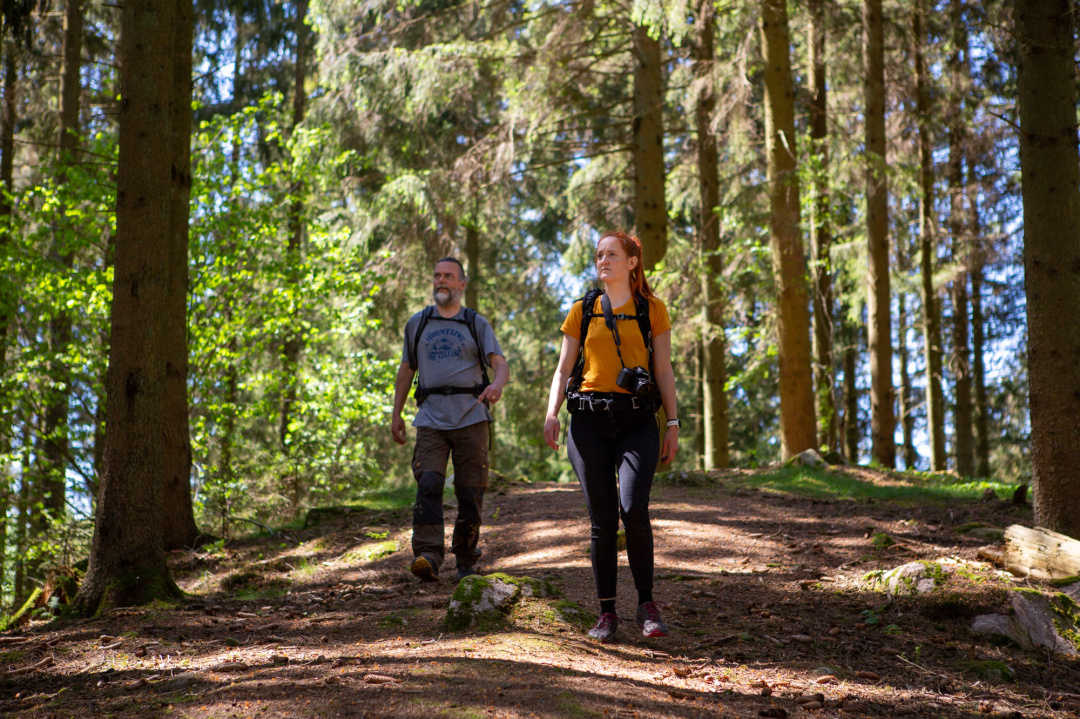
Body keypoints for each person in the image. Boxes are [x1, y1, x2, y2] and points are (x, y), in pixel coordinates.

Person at [543, 231, 679, 643]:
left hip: (637, 422)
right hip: (586, 423)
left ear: (632, 262)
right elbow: (563, 370)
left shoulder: (651, 310)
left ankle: (647, 605)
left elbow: (664, 371)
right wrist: (551, 412)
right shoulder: (582, 310)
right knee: (602, 520)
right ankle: (606, 614)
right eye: (599, 254)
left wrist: (672, 422)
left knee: (633, 508)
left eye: (612, 254)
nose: (603, 260)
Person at [392, 257, 509, 582]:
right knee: (428, 484)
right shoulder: (418, 324)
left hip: (471, 417)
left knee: (470, 492)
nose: (441, 281)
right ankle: (427, 555)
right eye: (437, 275)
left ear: (461, 284)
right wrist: (397, 413)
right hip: (430, 417)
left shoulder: (476, 323)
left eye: (449, 276)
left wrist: (497, 385)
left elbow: (500, 364)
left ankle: (466, 558)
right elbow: (406, 370)